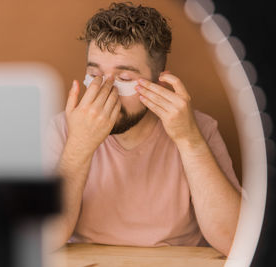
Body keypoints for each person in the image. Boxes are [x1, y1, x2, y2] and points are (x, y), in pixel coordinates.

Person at [43, 2, 242, 256]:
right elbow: (42, 238)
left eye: (124, 79)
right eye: (94, 75)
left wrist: (189, 140)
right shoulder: (63, 128)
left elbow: (236, 239)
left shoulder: (199, 129)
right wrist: (79, 146)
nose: (107, 91)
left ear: (158, 81)